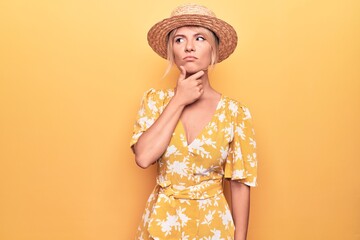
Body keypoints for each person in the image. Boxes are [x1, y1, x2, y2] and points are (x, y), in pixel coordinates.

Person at [130, 4, 257, 240]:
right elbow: (144, 157)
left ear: (213, 49)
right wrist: (179, 100)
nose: (189, 46)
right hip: (161, 226)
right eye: (179, 39)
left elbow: (239, 185)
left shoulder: (235, 113)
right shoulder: (155, 102)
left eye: (199, 38)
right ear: (172, 51)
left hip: (213, 228)